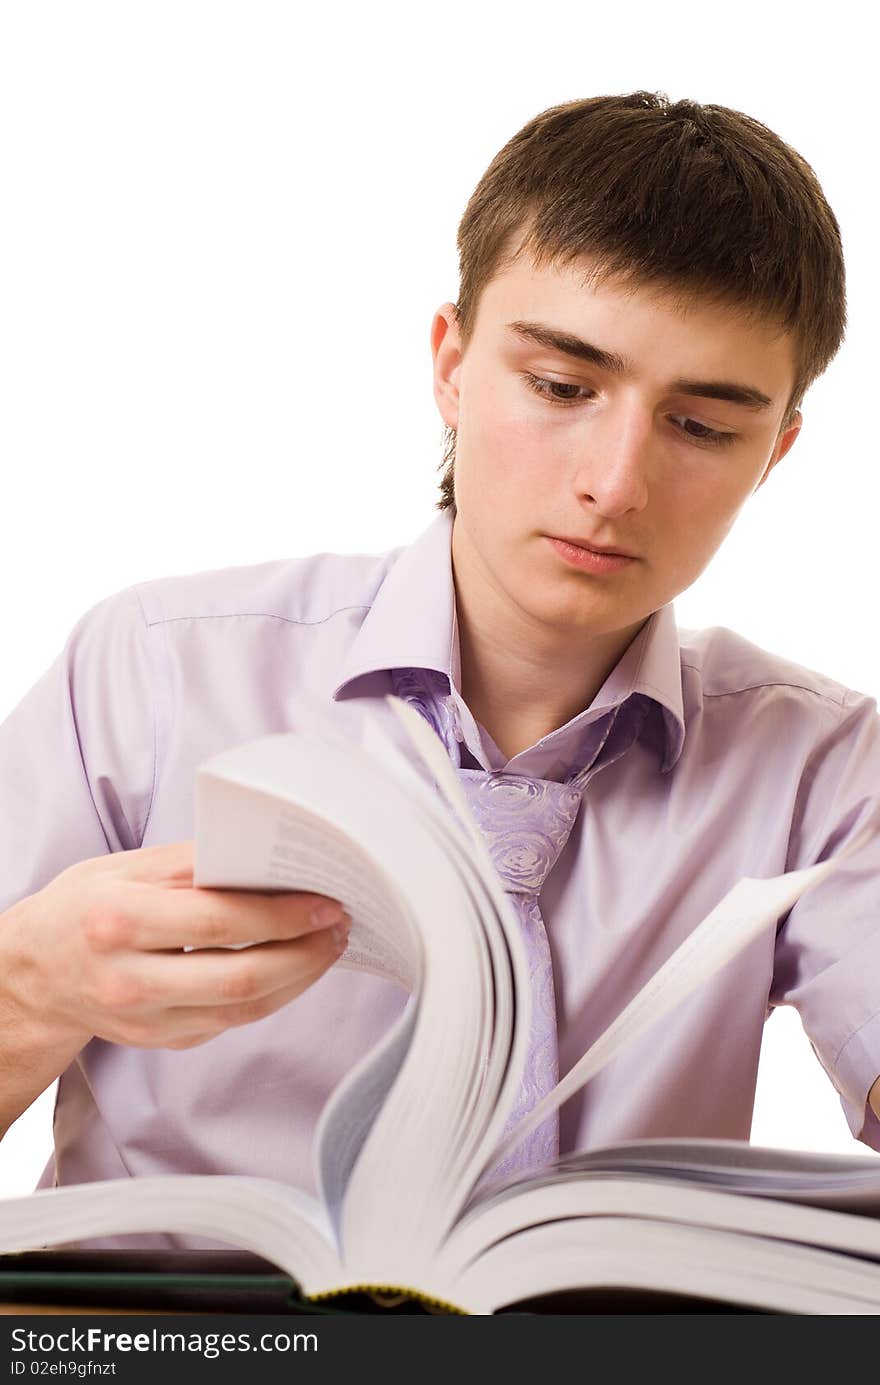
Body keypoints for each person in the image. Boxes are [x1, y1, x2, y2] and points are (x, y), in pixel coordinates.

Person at [1, 91, 879, 1248]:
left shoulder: (821, 769)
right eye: (563, 388)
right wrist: (30, 989)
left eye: (703, 428)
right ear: (452, 367)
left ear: (775, 452)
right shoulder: (152, 676)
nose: (614, 483)